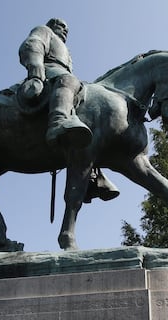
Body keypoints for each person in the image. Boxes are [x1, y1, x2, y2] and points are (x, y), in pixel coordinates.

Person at [18, 18, 118, 201]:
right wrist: (36, 67)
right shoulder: (44, 31)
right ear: (52, 25)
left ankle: (93, 177)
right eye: (62, 26)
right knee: (71, 80)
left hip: (62, 79)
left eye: (67, 29)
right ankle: (58, 122)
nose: (65, 30)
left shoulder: (67, 52)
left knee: (88, 118)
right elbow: (32, 45)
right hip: (49, 73)